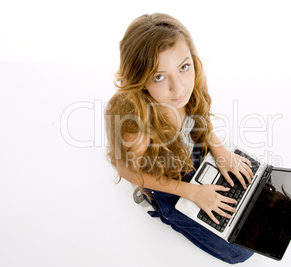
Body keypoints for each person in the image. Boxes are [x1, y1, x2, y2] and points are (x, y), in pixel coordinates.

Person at [105, 13, 255, 264]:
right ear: (139, 80)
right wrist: (193, 193)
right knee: (241, 251)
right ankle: (165, 211)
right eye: (159, 77)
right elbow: (129, 170)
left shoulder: (189, 89)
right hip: (161, 177)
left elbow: (199, 120)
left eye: (184, 67)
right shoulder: (137, 124)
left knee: (254, 186)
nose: (179, 88)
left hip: (190, 154)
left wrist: (220, 152)